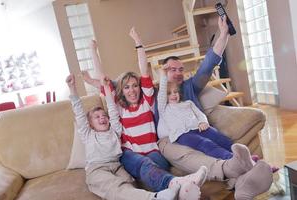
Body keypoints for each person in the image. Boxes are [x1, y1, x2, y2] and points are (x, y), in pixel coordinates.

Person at [156, 16, 273, 199]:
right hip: (171, 139)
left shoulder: (189, 87)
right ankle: (245, 170)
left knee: (220, 141)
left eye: (180, 69)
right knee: (203, 149)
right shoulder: (157, 95)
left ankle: (243, 181)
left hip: (199, 129)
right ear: (163, 72)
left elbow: (208, 65)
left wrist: (224, 33)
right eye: (172, 69)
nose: (178, 72)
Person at [86, 34, 209, 200]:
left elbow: (143, 70)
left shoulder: (148, 101)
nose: (132, 90)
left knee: (152, 165)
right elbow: (103, 80)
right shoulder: (119, 108)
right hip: (130, 154)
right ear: (122, 91)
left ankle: (177, 189)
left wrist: (138, 42)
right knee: (143, 164)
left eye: (135, 86)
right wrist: (93, 50)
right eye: (127, 87)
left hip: (153, 152)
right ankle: (178, 183)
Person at [66, 73, 182, 200]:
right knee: (115, 187)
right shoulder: (88, 134)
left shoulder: (115, 130)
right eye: (97, 117)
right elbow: (79, 114)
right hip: (97, 168)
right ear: (91, 124)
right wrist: (72, 89)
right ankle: (154, 197)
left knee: (130, 183)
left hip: (117, 166)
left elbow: (111, 108)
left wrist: (106, 87)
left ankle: (169, 191)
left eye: (104, 115)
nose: (102, 118)